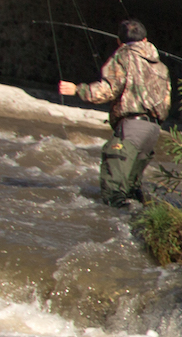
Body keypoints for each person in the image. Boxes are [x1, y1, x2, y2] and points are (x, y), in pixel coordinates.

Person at [58, 19, 171, 208]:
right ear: (145, 39)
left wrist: (77, 90)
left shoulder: (123, 57)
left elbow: (109, 90)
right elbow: (166, 101)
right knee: (133, 192)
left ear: (119, 42)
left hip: (131, 127)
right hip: (152, 131)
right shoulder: (161, 66)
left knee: (114, 194)